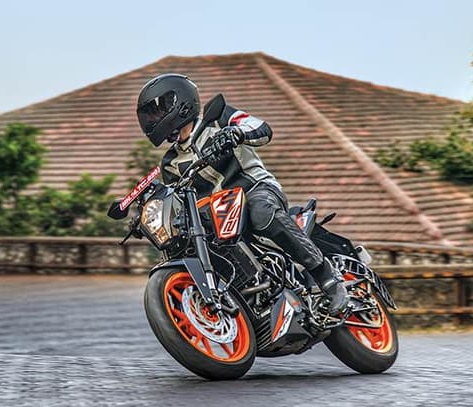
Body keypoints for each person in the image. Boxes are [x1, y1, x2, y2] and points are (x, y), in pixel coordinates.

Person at [136, 73, 348, 314]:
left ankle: (327, 277)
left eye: (158, 111)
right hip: (218, 215)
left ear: (180, 102)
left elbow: (261, 128)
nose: (153, 120)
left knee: (261, 211)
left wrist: (236, 133)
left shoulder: (219, 120)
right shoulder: (170, 163)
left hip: (256, 190)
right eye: (149, 115)